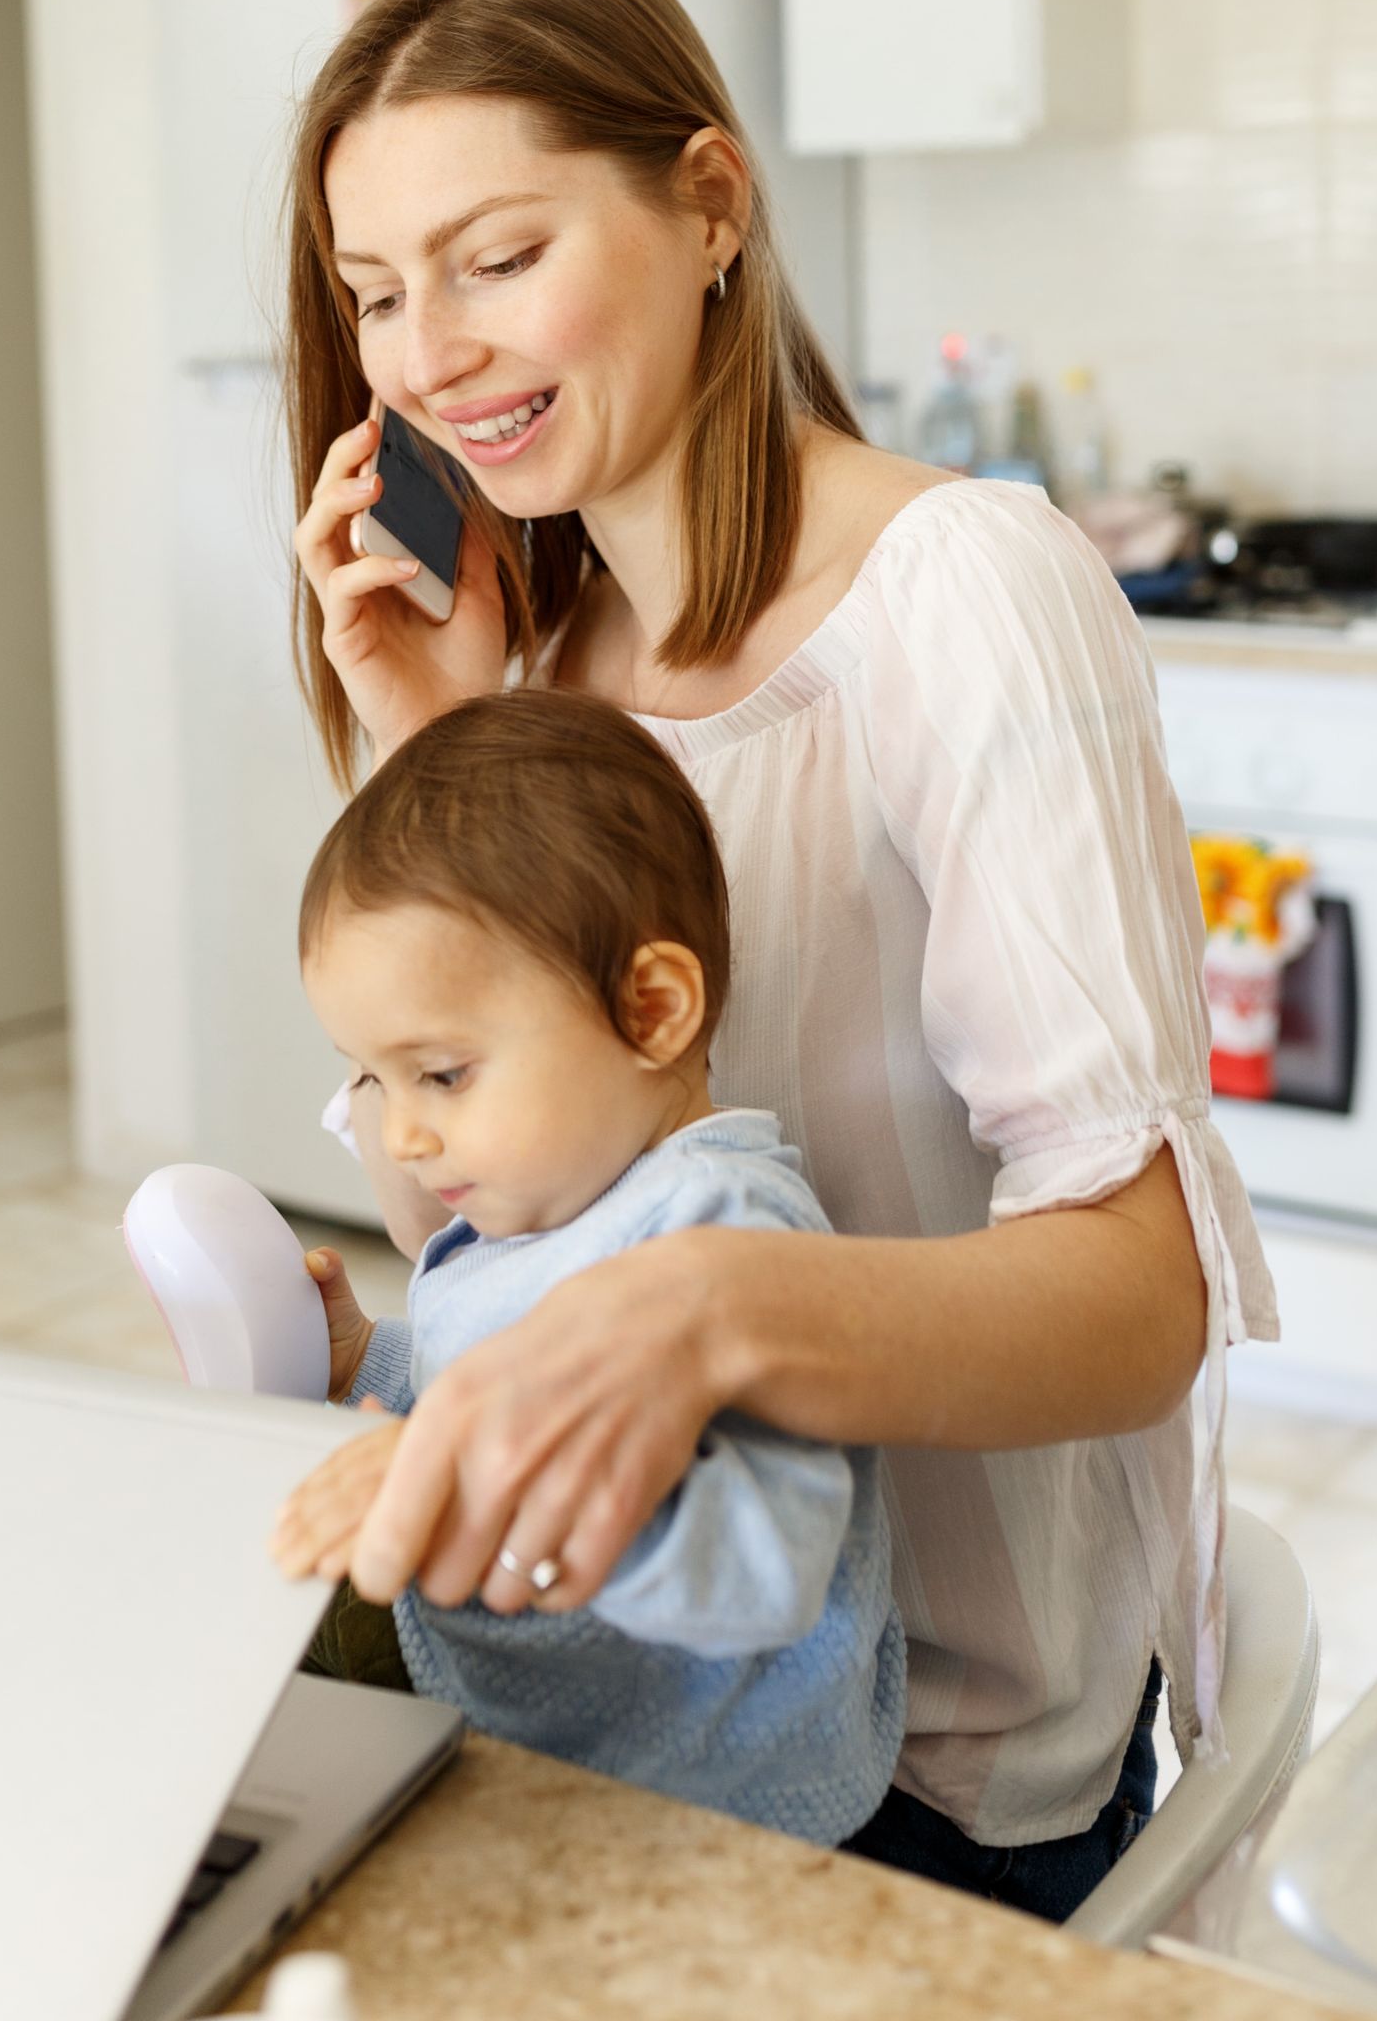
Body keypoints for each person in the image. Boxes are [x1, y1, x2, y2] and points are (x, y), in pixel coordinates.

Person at [282, 0, 1276, 1922]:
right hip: (636, 1706)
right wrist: (439, 750)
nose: (427, 353)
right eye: (377, 292)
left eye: (499, 256)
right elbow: (529, 1217)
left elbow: (1142, 1295)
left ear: (710, 203)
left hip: (930, 1776)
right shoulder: (534, 662)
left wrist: (700, 1314)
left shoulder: (964, 593)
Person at [268, 688, 905, 1845]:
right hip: (540, 1759)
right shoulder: (542, 1203)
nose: (401, 1137)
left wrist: (485, 1480)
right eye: (372, 1080)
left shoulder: (721, 1230)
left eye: (443, 1075)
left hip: (712, 1804)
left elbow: (768, 1563)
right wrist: (374, 1360)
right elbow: (496, 1370)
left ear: (652, 1010)